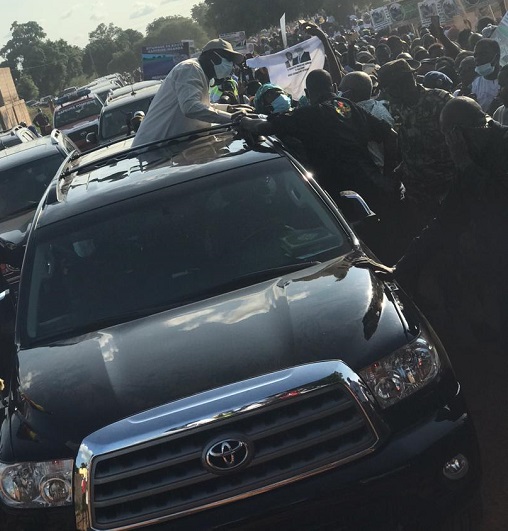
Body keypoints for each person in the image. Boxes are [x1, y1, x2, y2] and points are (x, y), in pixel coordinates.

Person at [392, 96, 508, 346]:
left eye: (446, 135)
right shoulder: (473, 153)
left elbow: (499, 198)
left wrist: (465, 164)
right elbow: (447, 218)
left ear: (456, 134)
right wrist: (402, 268)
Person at [240, 69, 398, 212]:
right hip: (376, 188)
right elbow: (391, 136)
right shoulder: (346, 106)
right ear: (334, 88)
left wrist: (245, 120)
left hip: (340, 199)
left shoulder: (307, 115)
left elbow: (264, 128)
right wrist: (388, 176)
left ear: (307, 93)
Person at [377, 58, 455, 239]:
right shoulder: (396, 106)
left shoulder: (439, 101)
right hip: (416, 188)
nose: (387, 93)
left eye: (389, 88)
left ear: (401, 85)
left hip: (445, 184)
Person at [132, 39, 251, 147]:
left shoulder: (201, 74)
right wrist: (233, 119)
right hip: (153, 149)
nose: (230, 65)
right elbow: (190, 107)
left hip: (166, 148)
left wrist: (229, 109)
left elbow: (202, 106)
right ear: (212, 56)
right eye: (228, 59)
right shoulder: (190, 69)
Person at [471, 38, 500, 113]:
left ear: (496, 56)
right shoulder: (474, 84)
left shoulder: (504, 82)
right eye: (475, 55)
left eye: (483, 54)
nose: (477, 59)